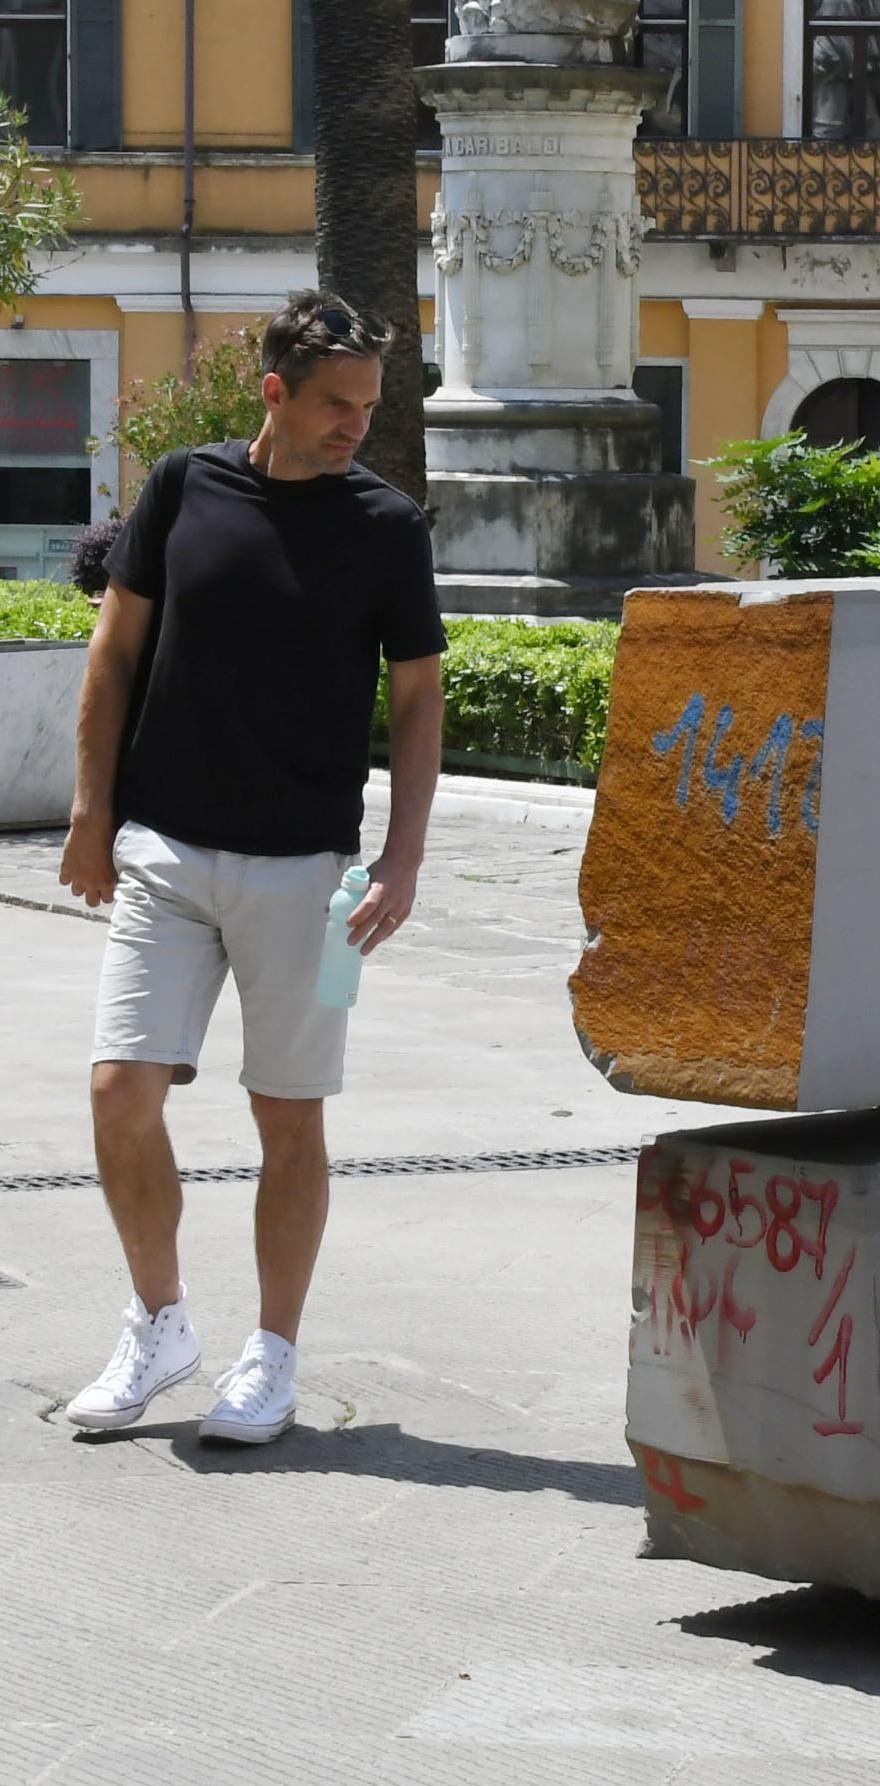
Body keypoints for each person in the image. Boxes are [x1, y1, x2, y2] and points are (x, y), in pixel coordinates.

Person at [57, 290, 447, 1445]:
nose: (354, 428)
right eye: (336, 405)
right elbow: (114, 649)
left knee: (291, 1118)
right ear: (272, 392)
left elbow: (419, 697)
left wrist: (405, 857)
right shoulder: (184, 485)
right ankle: (159, 1321)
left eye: (369, 408)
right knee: (119, 1093)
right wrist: (92, 811)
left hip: (312, 873)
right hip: (166, 850)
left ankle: (270, 1356)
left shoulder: (386, 527)